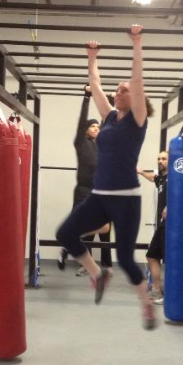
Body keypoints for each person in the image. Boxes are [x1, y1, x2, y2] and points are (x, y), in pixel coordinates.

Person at [56, 24, 157, 330]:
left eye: (124, 90)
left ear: (135, 96)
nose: (119, 92)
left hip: (126, 199)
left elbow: (137, 79)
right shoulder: (110, 117)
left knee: (125, 258)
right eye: (118, 89)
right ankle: (98, 273)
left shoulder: (137, 120)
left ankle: (146, 303)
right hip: (100, 196)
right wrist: (91, 58)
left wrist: (136, 43)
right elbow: (96, 84)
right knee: (65, 234)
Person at [57, 85, 113, 275]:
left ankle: (68, 244)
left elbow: (108, 123)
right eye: (92, 127)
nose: (96, 128)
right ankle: (84, 262)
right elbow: (82, 121)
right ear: (86, 131)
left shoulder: (102, 145)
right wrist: (87, 97)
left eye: (98, 127)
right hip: (83, 192)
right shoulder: (81, 143)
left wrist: (110, 103)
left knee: (104, 228)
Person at [138, 151, 169, 304]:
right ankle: (156, 290)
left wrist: (169, 207)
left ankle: (170, 295)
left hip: (171, 224)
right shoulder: (162, 178)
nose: (160, 161)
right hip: (163, 224)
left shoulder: (177, 177)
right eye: (158, 159)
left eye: (164, 158)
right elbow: (153, 178)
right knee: (152, 256)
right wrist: (141, 172)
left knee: (170, 260)